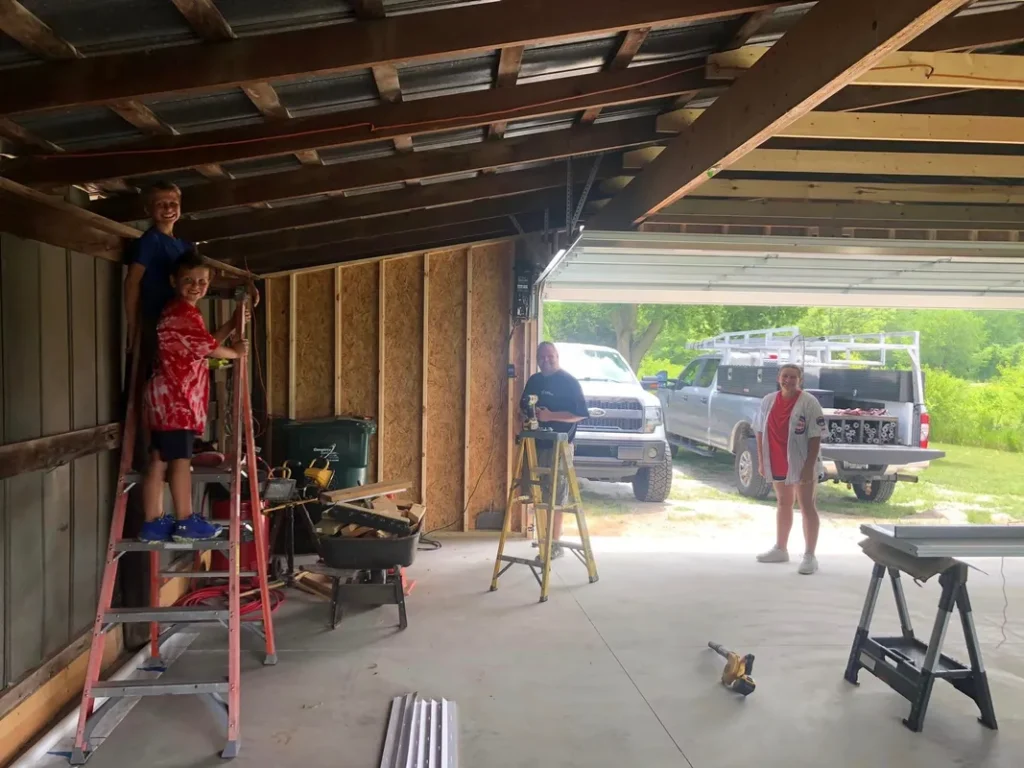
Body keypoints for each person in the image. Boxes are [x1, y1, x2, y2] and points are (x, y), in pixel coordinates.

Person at [138, 251, 249, 543]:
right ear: (174, 280)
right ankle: (185, 519)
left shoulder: (177, 312)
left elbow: (205, 342)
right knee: (180, 460)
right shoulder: (183, 313)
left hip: (164, 398)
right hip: (177, 400)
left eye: (202, 281)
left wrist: (232, 324)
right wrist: (236, 353)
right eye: (188, 280)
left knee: (159, 459)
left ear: (209, 283)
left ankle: (152, 522)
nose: (196, 286)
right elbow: (209, 348)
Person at [753, 363, 827, 575]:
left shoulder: (809, 402)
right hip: (777, 460)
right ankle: (780, 548)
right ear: (778, 378)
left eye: (793, 377)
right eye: (785, 376)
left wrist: (808, 467)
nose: (788, 380)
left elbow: (815, 436)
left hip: (802, 462)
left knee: (807, 505)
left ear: (800, 380)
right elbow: (759, 430)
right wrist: (761, 460)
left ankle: (810, 555)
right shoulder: (768, 401)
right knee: (783, 502)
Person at [519, 341, 589, 559]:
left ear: (557, 357)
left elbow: (580, 414)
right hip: (536, 444)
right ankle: (544, 539)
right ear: (537, 359)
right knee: (538, 494)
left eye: (550, 356)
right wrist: (527, 419)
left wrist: (550, 416)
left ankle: (555, 544)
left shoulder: (568, 382)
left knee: (556, 497)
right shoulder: (534, 381)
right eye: (542, 357)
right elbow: (522, 408)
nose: (546, 360)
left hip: (559, 446)